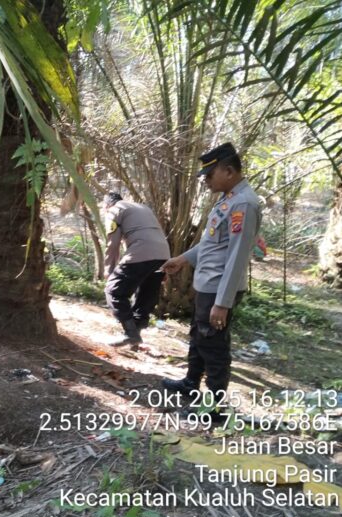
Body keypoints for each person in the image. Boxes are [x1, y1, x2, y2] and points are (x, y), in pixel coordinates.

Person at [161, 142, 261, 403]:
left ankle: (214, 407)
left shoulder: (243, 204)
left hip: (219, 287)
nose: (205, 180)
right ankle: (191, 383)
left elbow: (238, 256)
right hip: (208, 284)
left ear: (229, 171)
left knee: (214, 346)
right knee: (199, 336)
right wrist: (183, 259)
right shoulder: (228, 200)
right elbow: (212, 243)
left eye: (209, 174)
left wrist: (222, 303)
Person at [103, 192, 171, 347]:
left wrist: (109, 269)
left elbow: (112, 244)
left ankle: (131, 334)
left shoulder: (114, 210)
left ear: (107, 205)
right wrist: (163, 265)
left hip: (142, 251)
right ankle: (135, 338)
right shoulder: (142, 208)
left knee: (113, 291)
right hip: (163, 254)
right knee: (145, 295)